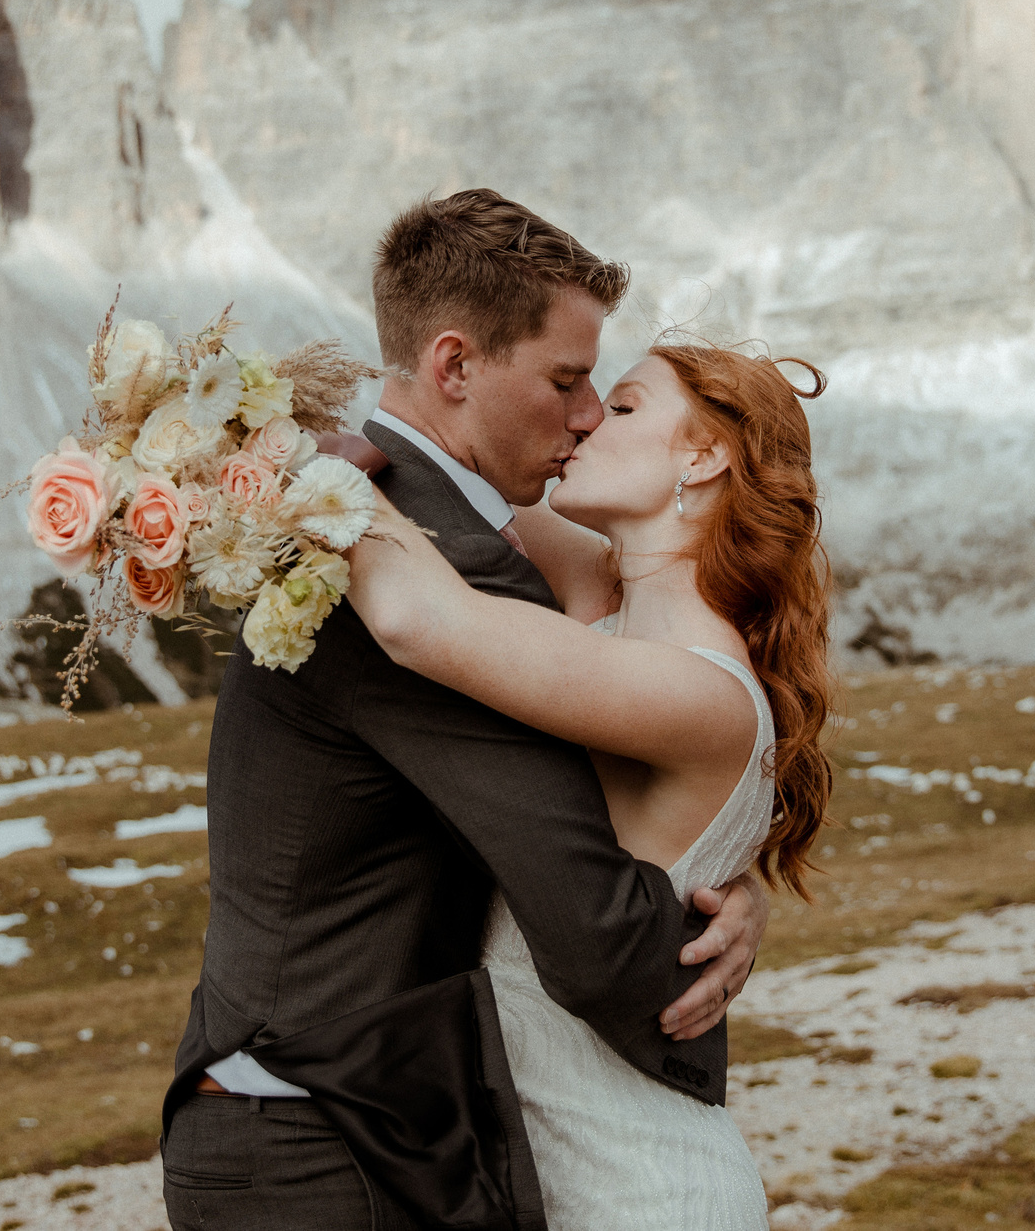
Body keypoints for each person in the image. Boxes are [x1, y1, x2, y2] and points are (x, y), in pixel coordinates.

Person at [160, 190, 771, 1231]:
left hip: (354, 1116)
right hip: (316, 1136)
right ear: (453, 367)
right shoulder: (429, 560)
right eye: (569, 381)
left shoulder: (408, 523)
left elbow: (639, 732)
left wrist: (716, 855)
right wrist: (701, 929)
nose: (583, 416)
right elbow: (591, 929)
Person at [343, 337, 834, 1230]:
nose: (587, 419)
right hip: (541, 1167)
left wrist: (292, 483)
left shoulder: (703, 692)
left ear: (704, 455)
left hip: (645, 1190)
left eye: (627, 405)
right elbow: (452, 472)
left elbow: (414, 616)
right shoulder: (603, 599)